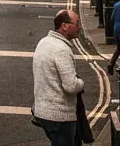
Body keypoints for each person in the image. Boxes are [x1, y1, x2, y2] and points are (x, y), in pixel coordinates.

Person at [32, 10, 85, 146]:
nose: (80, 27)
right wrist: (81, 82)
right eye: (77, 23)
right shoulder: (61, 49)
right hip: (60, 115)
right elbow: (71, 86)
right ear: (64, 26)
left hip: (43, 111)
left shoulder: (44, 42)